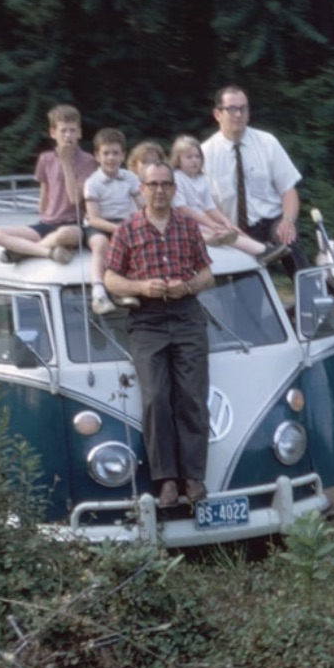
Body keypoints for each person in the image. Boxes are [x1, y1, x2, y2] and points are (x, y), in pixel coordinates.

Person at [103, 156, 214, 509]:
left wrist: (189, 286)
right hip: (146, 318)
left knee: (192, 397)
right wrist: (140, 286)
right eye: (153, 184)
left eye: (166, 184)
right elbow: (110, 278)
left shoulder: (188, 226)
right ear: (142, 189)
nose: (160, 190)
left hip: (186, 314)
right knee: (155, 398)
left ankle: (193, 477)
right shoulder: (127, 229)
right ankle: (166, 479)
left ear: (174, 188)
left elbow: (207, 273)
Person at [201, 85, 304, 274]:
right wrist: (221, 230)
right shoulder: (205, 154)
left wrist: (288, 220)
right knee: (243, 281)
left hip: (272, 221)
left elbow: (288, 190)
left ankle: (311, 290)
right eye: (232, 109)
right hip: (233, 230)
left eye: (243, 108)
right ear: (217, 114)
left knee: (288, 239)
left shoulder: (267, 143)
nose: (239, 114)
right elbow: (201, 204)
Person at [0, 103, 92, 264]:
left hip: (72, 224)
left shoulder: (88, 161)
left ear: (79, 133)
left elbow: (75, 199)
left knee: (67, 234)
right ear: (53, 133)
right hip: (47, 223)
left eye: (72, 130)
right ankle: (47, 252)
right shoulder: (45, 158)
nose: (68, 135)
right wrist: (42, 218)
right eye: (63, 131)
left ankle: (23, 252)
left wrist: (66, 163)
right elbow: (44, 194)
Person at [170, 133, 283, 263]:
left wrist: (225, 221)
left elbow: (209, 207)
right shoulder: (177, 178)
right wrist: (210, 223)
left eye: (197, 156)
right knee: (223, 233)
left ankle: (262, 251)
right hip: (185, 223)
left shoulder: (202, 179)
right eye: (189, 157)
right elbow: (182, 208)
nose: (194, 160)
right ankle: (261, 251)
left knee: (232, 229)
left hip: (202, 219)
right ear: (178, 159)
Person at [82, 128, 141, 315]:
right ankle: (98, 292)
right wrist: (118, 229)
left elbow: (143, 206)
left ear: (123, 155)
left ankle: (121, 290)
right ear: (97, 156)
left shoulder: (130, 178)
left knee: (136, 245)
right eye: (106, 153)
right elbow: (93, 218)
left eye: (115, 153)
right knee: (101, 244)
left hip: (124, 222)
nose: (111, 158)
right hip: (99, 225)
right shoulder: (92, 182)